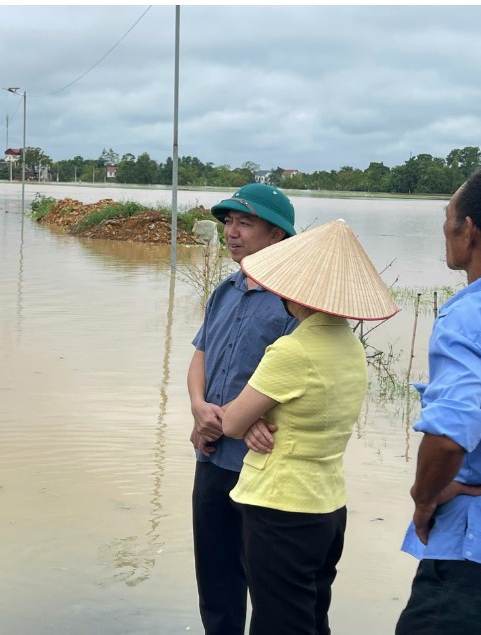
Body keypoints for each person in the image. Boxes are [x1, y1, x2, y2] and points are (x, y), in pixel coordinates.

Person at [221, 219, 398, 635]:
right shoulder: (349, 345)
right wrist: (255, 421)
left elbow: (230, 422)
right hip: (328, 506)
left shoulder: (293, 349)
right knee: (311, 616)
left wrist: (246, 422)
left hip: (282, 507)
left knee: (278, 622)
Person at [396, 162, 481, 634]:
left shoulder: (471, 316)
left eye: (448, 216)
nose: (445, 227)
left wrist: (425, 499)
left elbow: (447, 437)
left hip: (480, 552)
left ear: (469, 231)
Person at [188, 182, 298, 635]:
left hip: (262, 465)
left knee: (269, 588)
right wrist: (198, 407)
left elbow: (301, 379)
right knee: (215, 579)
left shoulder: (297, 303)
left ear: (277, 235)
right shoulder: (225, 290)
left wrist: (253, 417)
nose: (232, 232)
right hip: (211, 455)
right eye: (229, 222)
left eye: (245, 223)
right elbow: (200, 355)